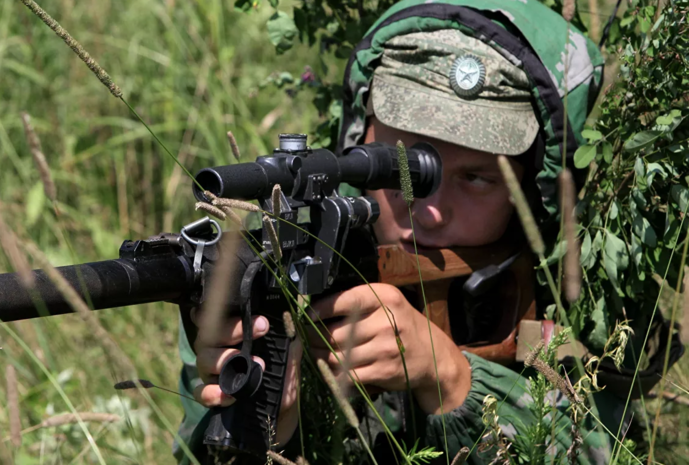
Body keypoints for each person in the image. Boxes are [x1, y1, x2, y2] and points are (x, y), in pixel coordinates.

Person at [174, 0, 638, 463]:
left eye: (476, 178)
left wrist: (453, 382)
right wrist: (275, 429)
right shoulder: (264, 274)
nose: (429, 210)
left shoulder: (591, 300)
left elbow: (614, 450)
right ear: (361, 139)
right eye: (399, 168)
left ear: (538, 188)